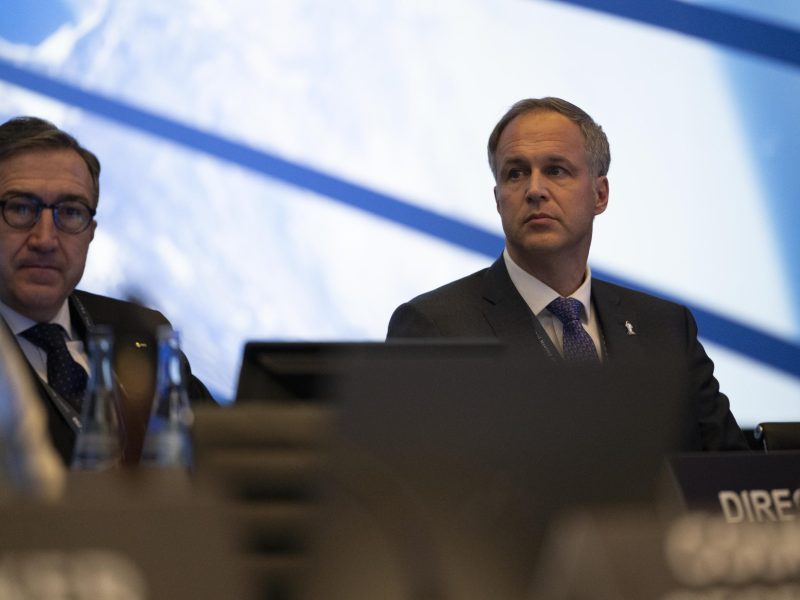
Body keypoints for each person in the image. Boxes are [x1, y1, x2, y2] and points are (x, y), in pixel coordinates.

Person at [387, 97, 748, 451]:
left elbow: (738, 484)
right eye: (515, 173)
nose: (535, 190)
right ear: (498, 199)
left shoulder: (666, 327)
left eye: (556, 170)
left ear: (600, 194)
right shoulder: (435, 328)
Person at [0, 116, 213, 465]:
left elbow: (226, 450)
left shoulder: (140, 330)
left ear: (90, 232)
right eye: (21, 208)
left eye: (69, 212)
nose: (45, 239)